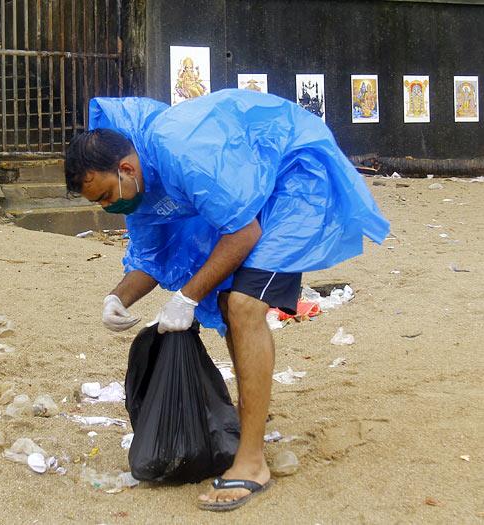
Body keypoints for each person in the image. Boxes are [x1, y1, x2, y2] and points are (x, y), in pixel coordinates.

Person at [64, 89, 389, 511]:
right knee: (225, 302)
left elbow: (245, 233)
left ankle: (252, 463)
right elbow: (151, 258)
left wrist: (185, 297)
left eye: (107, 195)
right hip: (251, 199)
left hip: (292, 180)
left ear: (125, 168)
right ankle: (249, 418)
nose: (108, 206)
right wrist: (117, 297)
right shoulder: (138, 187)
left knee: (243, 305)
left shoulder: (181, 149)